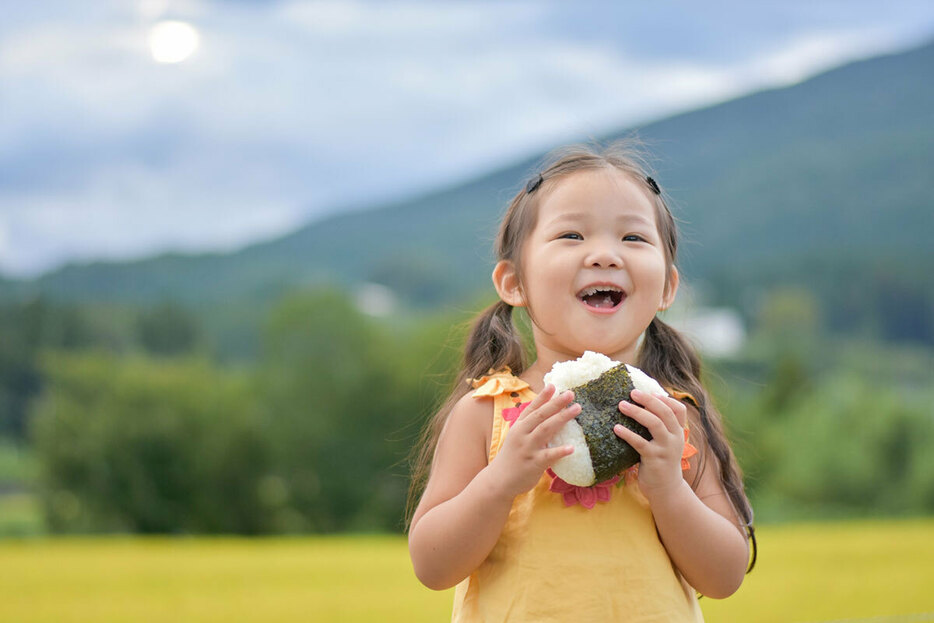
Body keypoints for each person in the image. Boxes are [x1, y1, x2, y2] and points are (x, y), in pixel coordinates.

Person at [407, 141, 756, 621]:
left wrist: (669, 488)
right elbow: (431, 564)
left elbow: (724, 576)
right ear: (514, 282)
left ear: (668, 287)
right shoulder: (485, 411)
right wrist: (500, 483)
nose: (605, 255)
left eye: (633, 238)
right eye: (572, 235)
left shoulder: (673, 418)